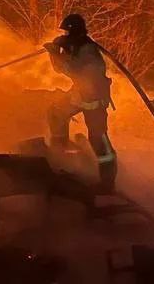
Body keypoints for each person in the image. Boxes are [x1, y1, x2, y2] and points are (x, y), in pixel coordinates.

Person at [45, 14, 117, 193]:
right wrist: (56, 51)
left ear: (74, 32)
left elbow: (74, 71)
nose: (64, 35)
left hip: (94, 99)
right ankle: (60, 157)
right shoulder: (76, 46)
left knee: (98, 139)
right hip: (80, 94)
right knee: (56, 113)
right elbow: (61, 68)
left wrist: (56, 53)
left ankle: (107, 182)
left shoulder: (87, 50)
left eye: (67, 32)